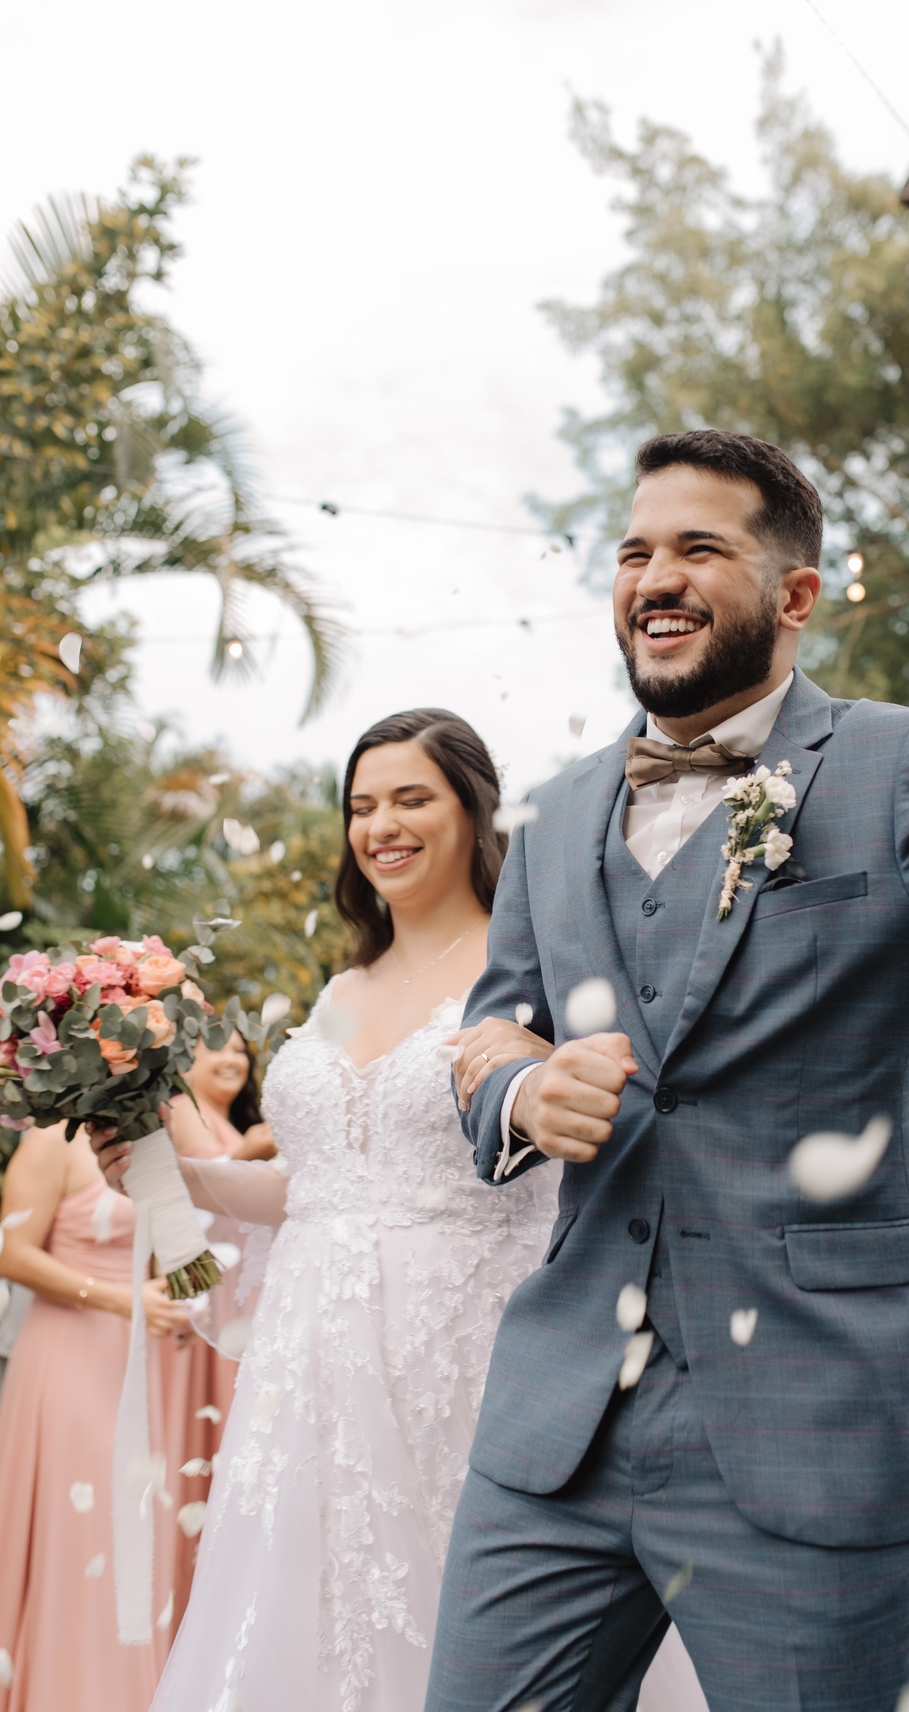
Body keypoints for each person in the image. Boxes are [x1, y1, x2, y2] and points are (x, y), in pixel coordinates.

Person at [429, 428, 909, 1712]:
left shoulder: (901, 763)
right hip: (559, 1426)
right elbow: (492, 1024)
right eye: (634, 551)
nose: (654, 577)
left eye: (698, 548)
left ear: (795, 595)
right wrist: (518, 1086)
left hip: (818, 1419)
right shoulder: (552, 816)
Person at [95, 712, 567, 1712]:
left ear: (473, 810)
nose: (380, 826)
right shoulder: (345, 988)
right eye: (361, 806)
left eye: (411, 799)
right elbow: (316, 1187)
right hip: (309, 1363)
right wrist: (172, 1173)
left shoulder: (530, 968)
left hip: (466, 1351)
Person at [0, 1124, 191, 1711]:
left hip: (137, 1358)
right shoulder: (49, 1142)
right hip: (69, 1352)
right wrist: (119, 1299)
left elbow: (163, 1251)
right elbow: (11, 1252)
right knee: (86, 1525)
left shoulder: (149, 1138)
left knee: (136, 1526)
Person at [158, 1031, 275, 1637]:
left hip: (240, 1313)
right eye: (216, 1048)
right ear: (185, 1059)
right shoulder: (183, 1107)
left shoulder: (228, 1120)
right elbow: (201, 1187)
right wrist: (268, 1142)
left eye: (239, 1050)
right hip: (207, 1319)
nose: (232, 1059)